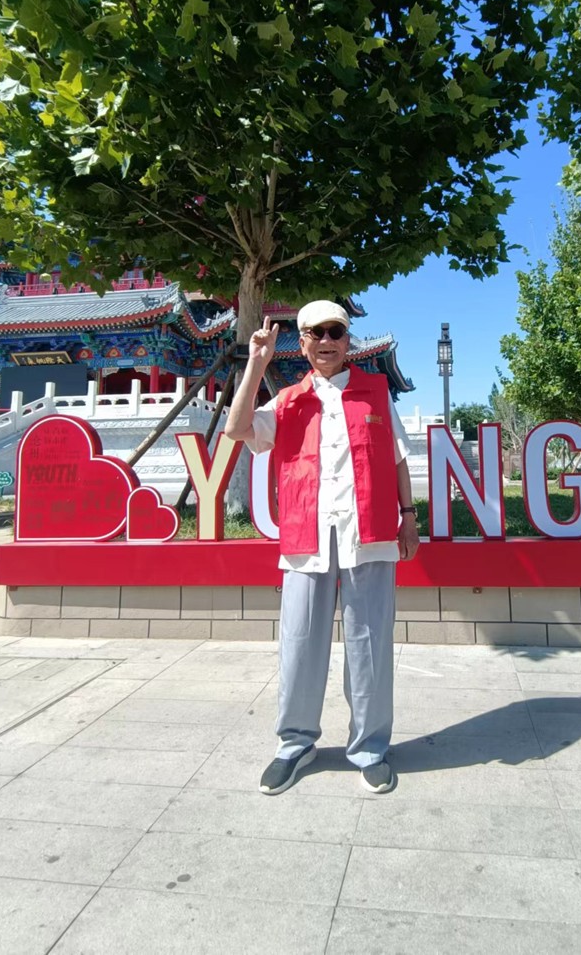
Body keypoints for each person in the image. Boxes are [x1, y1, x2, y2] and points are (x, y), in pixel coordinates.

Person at [225, 300, 419, 795]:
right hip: (305, 538)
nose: (327, 340)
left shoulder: (376, 393)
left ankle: (370, 748)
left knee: (370, 646)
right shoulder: (288, 400)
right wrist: (257, 364)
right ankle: (295, 743)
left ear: (348, 339)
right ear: (303, 342)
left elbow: (397, 459)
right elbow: (237, 430)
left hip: (369, 536)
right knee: (298, 643)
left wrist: (409, 515)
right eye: (316, 332)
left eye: (336, 331)